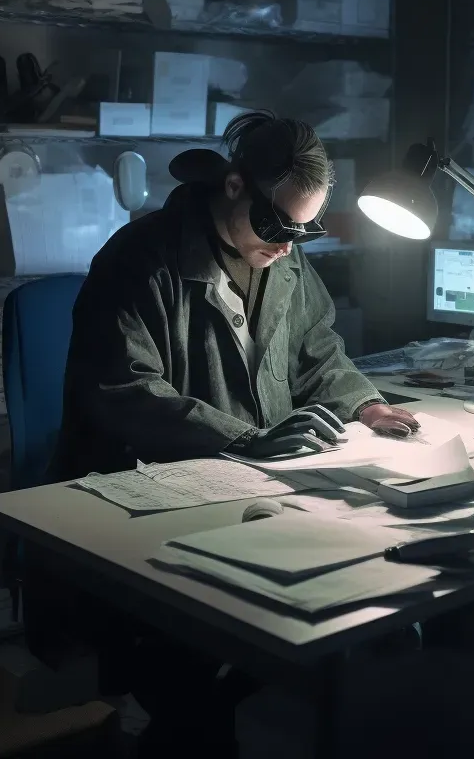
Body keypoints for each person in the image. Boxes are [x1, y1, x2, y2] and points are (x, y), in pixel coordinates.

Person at [49, 111, 420, 756]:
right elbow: (125, 392)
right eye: (277, 225)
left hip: (254, 493)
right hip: (155, 505)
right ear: (234, 187)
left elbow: (318, 355)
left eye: (304, 233)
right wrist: (240, 440)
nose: (286, 245)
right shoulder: (141, 261)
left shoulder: (286, 264)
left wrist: (366, 406)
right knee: (204, 689)